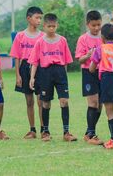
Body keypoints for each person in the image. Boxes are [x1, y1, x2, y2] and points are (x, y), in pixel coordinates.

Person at [28, 13, 77, 142]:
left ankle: (66, 132)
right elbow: (34, 61)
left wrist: (64, 77)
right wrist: (32, 78)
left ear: (57, 26)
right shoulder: (39, 42)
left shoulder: (62, 40)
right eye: (49, 26)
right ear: (44, 26)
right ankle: (45, 131)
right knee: (46, 103)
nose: (51, 29)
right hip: (45, 72)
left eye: (53, 26)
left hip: (60, 72)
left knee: (64, 101)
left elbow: (66, 61)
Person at [90, 24, 113, 149]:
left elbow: (91, 68)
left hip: (107, 79)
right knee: (111, 109)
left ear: (102, 37)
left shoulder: (101, 48)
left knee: (109, 111)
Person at [10, 6, 44, 139]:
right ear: (29, 18)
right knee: (29, 101)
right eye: (37, 17)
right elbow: (17, 57)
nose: (39, 20)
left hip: (40, 69)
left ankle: (44, 129)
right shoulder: (20, 36)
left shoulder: (42, 36)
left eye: (41, 18)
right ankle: (32, 129)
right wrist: (18, 75)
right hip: (25, 68)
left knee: (41, 101)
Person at [75, 10, 104, 145]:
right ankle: (91, 134)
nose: (96, 28)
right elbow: (79, 60)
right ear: (88, 24)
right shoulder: (83, 39)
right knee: (93, 102)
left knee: (100, 105)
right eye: (93, 25)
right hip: (88, 73)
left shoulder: (103, 37)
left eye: (98, 25)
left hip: (102, 72)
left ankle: (89, 132)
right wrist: (88, 55)